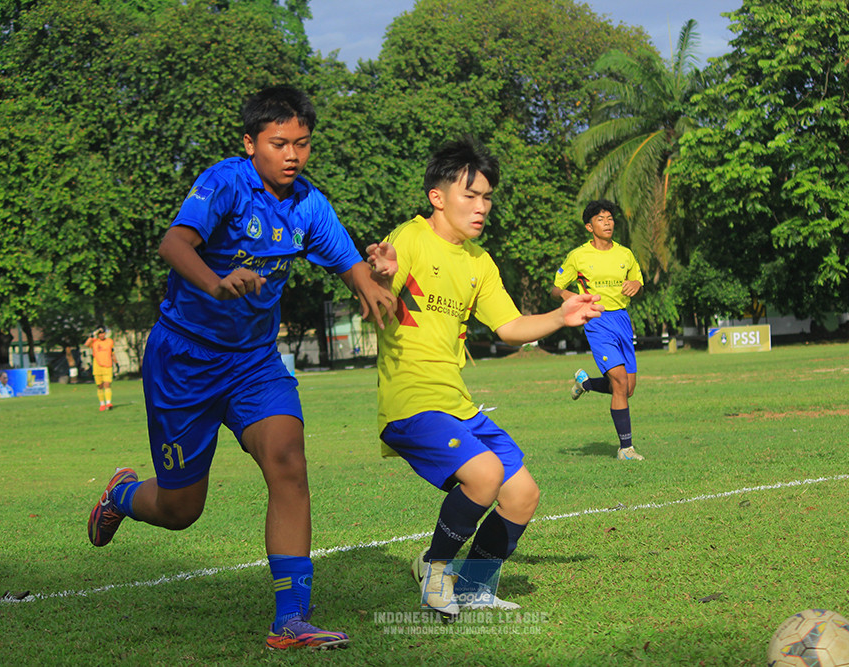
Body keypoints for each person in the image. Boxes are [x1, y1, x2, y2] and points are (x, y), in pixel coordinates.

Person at [86, 86, 395, 650]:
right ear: (251, 143)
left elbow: (349, 263)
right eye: (279, 143)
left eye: (302, 143)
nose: (293, 154)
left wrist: (372, 282)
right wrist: (216, 283)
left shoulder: (309, 204)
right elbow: (174, 244)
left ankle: (291, 620)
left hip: (254, 362)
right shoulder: (226, 182)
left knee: (288, 461)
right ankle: (121, 496)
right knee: (181, 509)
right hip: (185, 359)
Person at [366, 137, 603, 617]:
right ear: (437, 197)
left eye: (487, 197)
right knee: (487, 474)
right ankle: (435, 571)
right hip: (411, 400)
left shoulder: (479, 261)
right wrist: (378, 278)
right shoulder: (409, 239)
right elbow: (377, 305)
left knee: (522, 494)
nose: (481, 207)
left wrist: (561, 316)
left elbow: (510, 327)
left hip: (456, 401)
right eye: (470, 195)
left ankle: (474, 588)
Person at [550, 200, 645, 462]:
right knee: (620, 381)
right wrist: (567, 295)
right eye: (601, 219)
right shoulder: (578, 256)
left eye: (610, 218)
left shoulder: (625, 254)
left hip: (622, 319)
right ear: (589, 227)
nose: (607, 223)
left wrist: (637, 285)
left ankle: (586, 383)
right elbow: (555, 288)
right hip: (597, 320)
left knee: (628, 388)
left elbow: (637, 282)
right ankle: (626, 449)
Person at [85, 327, 115, 411]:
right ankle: (102, 404)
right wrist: (92, 335)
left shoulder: (109, 341)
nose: (101, 335)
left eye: (103, 333)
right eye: (99, 333)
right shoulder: (94, 342)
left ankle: (108, 403)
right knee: (100, 385)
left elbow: (112, 352)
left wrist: (116, 362)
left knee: (107, 384)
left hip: (108, 365)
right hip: (97, 366)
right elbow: (86, 344)